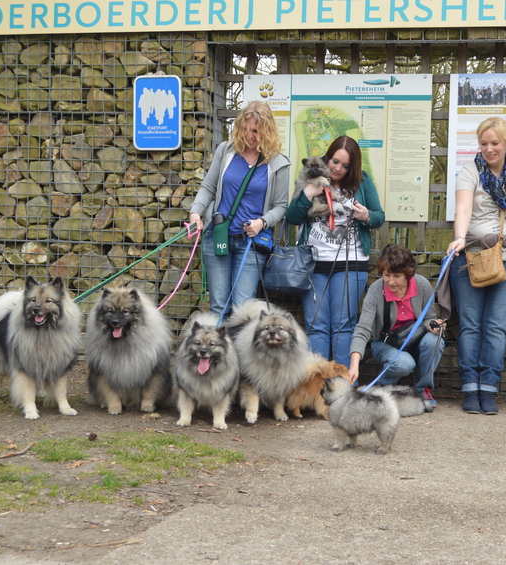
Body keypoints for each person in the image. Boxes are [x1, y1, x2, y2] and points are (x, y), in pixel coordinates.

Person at [446, 117, 506, 416]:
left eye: (495, 143)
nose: (489, 149)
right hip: (471, 257)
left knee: (495, 327)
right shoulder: (470, 171)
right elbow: (464, 207)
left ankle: (488, 388)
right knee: (470, 325)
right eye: (484, 143)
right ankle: (470, 387)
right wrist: (458, 238)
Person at [286, 135, 385, 366]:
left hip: (352, 263)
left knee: (344, 325)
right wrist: (309, 192)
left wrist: (366, 215)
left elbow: (379, 216)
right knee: (316, 325)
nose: (338, 168)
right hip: (313, 263)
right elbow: (292, 217)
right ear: (327, 158)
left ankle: (344, 385)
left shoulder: (362, 182)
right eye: (334, 162)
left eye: (345, 165)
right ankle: (318, 385)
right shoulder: (308, 180)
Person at [189, 101, 291, 317]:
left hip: (250, 242)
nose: (249, 136)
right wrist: (195, 212)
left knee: (242, 310)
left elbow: (281, 206)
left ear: (267, 131)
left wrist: (262, 222)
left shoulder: (278, 164)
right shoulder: (225, 151)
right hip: (218, 236)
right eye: (245, 129)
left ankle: (238, 351)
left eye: (255, 131)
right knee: (218, 307)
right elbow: (208, 187)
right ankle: (220, 352)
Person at [348, 244, 445, 407]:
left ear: (407, 274)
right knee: (404, 363)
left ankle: (424, 389)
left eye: (396, 276)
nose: (390, 282)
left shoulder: (422, 285)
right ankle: (381, 388)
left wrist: (434, 325)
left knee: (435, 340)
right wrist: (354, 364)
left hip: (416, 341)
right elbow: (363, 329)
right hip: (386, 343)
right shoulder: (376, 291)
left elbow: (429, 318)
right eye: (386, 275)